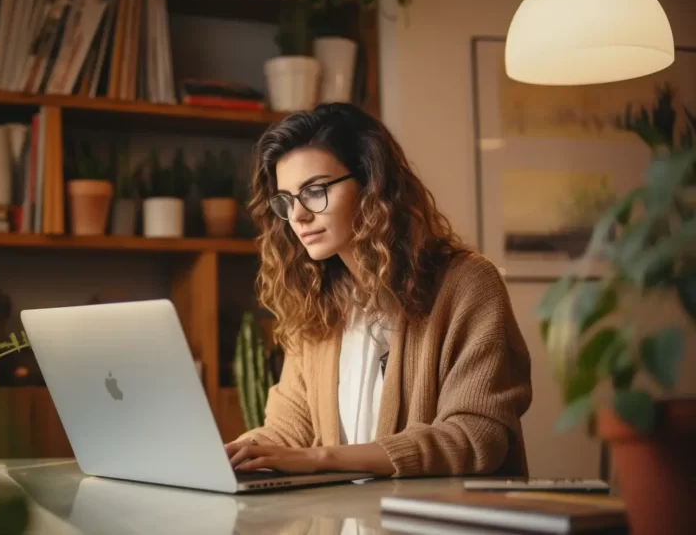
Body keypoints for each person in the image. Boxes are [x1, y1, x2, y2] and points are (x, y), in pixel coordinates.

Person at [225, 103, 532, 478]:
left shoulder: (468, 285)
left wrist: (323, 458)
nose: (298, 216)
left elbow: (475, 436)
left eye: (315, 190)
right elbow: (287, 432)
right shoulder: (315, 303)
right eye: (286, 200)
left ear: (371, 184)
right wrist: (234, 453)